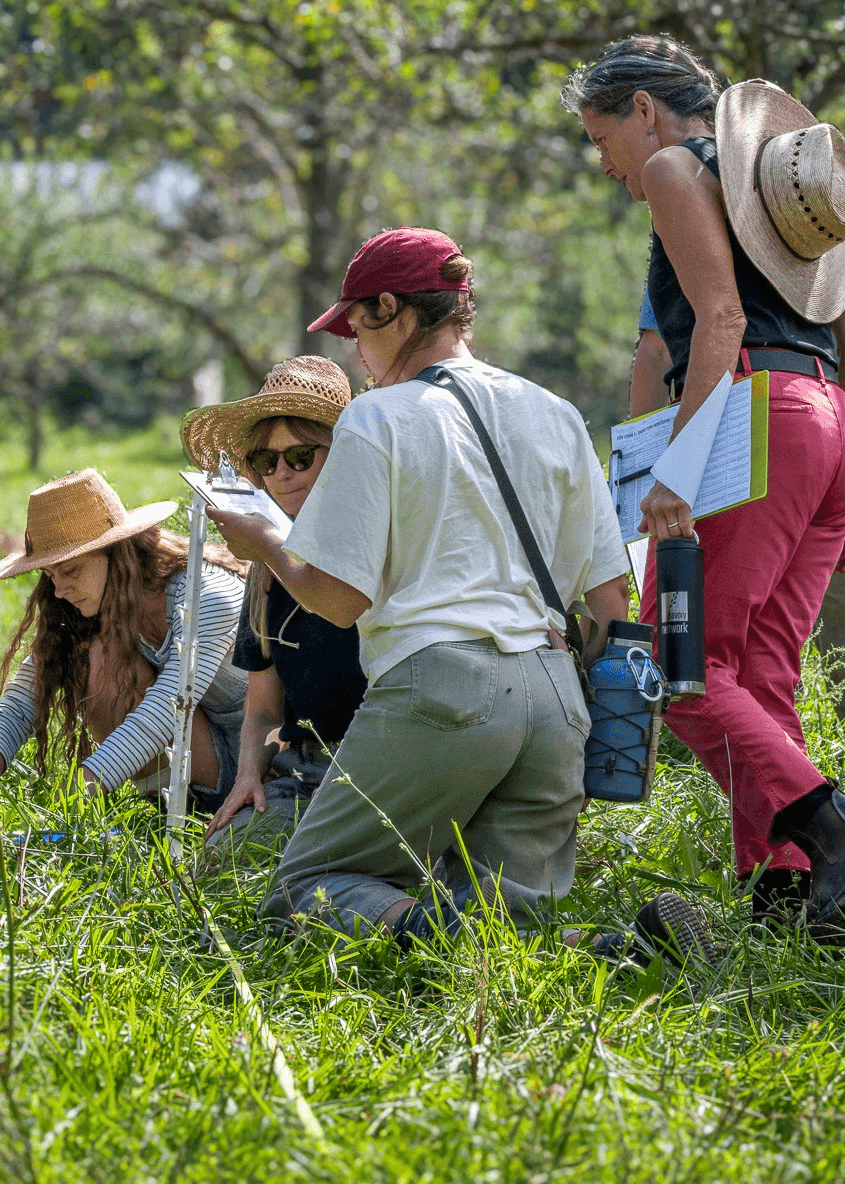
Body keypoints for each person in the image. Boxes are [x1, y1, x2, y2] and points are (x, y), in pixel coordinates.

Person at [563, 36, 845, 940]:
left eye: (602, 137)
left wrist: (675, 472)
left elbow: (718, 318)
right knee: (759, 672)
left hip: (751, 416)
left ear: (643, 108)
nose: (608, 165)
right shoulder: (780, 181)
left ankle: (841, 829)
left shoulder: (682, 172)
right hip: (832, 423)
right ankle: (791, 894)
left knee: (681, 677)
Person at [212, 227, 639, 946]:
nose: (354, 346)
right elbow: (608, 605)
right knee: (507, 923)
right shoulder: (555, 412)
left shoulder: (379, 416)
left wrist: (269, 548)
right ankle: (624, 947)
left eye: (355, 325)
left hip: (443, 689)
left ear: (390, 310)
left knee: (299, 892)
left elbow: (339, 602)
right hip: (557, 701)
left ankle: (428, 929)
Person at [631, 223, 845, 719]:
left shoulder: (822, 207)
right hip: (739, 436)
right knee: (726, 636)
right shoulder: (702, 213)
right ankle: (754, 751)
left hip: (799, 425)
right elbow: (656, 352)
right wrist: (643, 473)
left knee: (840, 612)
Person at [0, 469, 248, 811]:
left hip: (259, 761)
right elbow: (19, 703)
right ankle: (175, 806)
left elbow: (167, 709)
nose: (60, 590)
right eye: (50, 575)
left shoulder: (205, 594)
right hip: (202, 749)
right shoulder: (97, 604)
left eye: (71, 570)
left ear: (118, 553)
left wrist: (67, 803)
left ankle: (204, 808)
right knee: (96, 654)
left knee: (105, 656)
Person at [179, 356, 366, 859]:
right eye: (266, 461)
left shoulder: (370, 548)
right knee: (221, 861)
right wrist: (247, 777)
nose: (283, 472)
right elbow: (262, 709)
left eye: (301, 456)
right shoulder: (265, 575)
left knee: (311, 874)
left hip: (376, 769)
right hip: (302, 768)